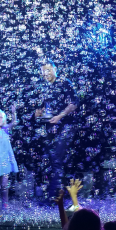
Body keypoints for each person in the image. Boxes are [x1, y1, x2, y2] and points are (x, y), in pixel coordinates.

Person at [33, 62, 78, 200]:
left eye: (48, 70)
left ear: (54, 69)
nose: (45, 74)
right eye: (43, 71)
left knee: (57, 159)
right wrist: (37, 114)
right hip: (50, 129)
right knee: (51, 160)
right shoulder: (44, 88)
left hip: (65, 127)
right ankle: (56, 195)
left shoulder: (65, 83)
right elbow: (40, 110)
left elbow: (74, 103)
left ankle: (54, 197)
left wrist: (60, 116)